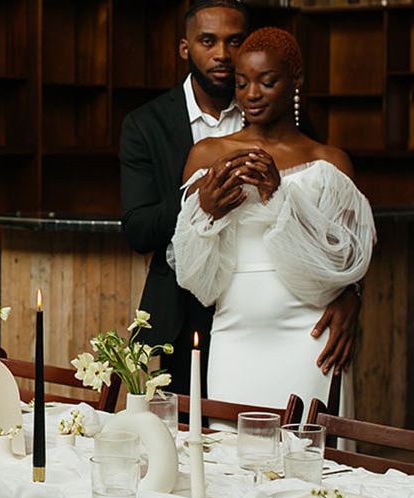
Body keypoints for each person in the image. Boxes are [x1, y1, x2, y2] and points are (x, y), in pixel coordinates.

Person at [118, 0, 360, 396]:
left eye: (235, 42)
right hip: (188, 312)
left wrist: (352, 293)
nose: (223, 55)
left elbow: (332, 222)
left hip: (299, 317)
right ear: (185, 47)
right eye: (208, 41)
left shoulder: (287, 116)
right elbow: (139, 229)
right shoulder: (146, 124)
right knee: (204, 444)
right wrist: (198, 202)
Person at [172, 27, 375, 415]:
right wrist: (206, 214)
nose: (251, 94)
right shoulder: (207, 154)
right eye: (242, 82)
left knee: (304, 457)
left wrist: (278, 197)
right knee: (230, 458)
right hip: (235, 330)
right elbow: (189, 270)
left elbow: (349, 258)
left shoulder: (330, 163)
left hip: (309, 331)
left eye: (267, 82)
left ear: (295, 81)